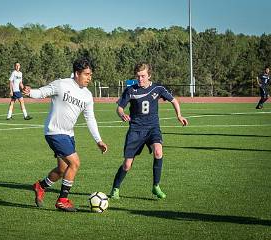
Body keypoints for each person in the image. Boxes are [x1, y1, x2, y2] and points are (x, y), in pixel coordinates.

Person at [22, 57, 108, 212]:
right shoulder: (61, 84)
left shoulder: (87, 95)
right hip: (54, 132)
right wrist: (29, 92)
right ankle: (62, 200)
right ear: (77, 73)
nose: (89, 78)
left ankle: (40, 186)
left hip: (69, 135)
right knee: (75, 163)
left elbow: (90, 118)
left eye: (90, 74)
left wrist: (98, 140)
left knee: (62, 169)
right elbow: (42, 92)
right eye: (86, 74)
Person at [109, 62, 188, 200]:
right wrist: (122, 114)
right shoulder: (131, 90)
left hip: (153, 128)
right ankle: (115, 188)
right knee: (127, 165)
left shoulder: (158, 88)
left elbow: (174, 101)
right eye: (138, 76)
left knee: (158, 151)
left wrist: (179, 115)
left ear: (149, 75)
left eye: (143, 76)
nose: (140, 79)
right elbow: (120, 107)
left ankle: (156, 186)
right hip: (136, 129)